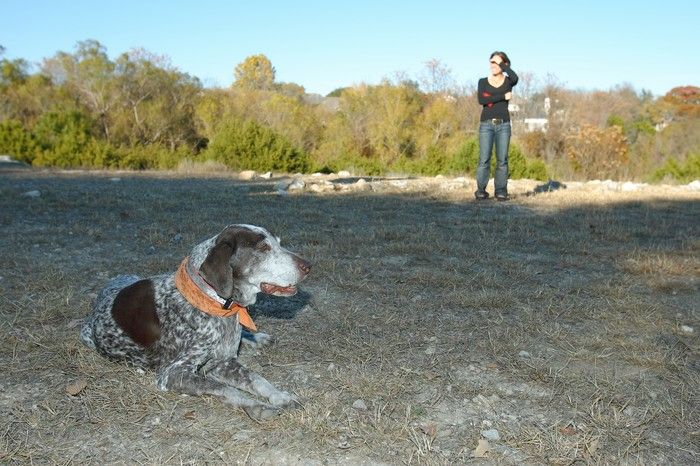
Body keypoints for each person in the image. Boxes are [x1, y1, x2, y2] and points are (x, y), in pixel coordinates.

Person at [475, 51, 518, 201]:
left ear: (504, 65)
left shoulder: (508, 81)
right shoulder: (482, 82)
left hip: (504, 125)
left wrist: (503, 66)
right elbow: (482, 100)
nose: (493, 65)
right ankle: (481, 190)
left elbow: (515, 77)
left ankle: (500, 191)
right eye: (491, 62)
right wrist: (502, 97)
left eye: (497, 62)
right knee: (484, 159)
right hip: (486, 125)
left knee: (502, 160)